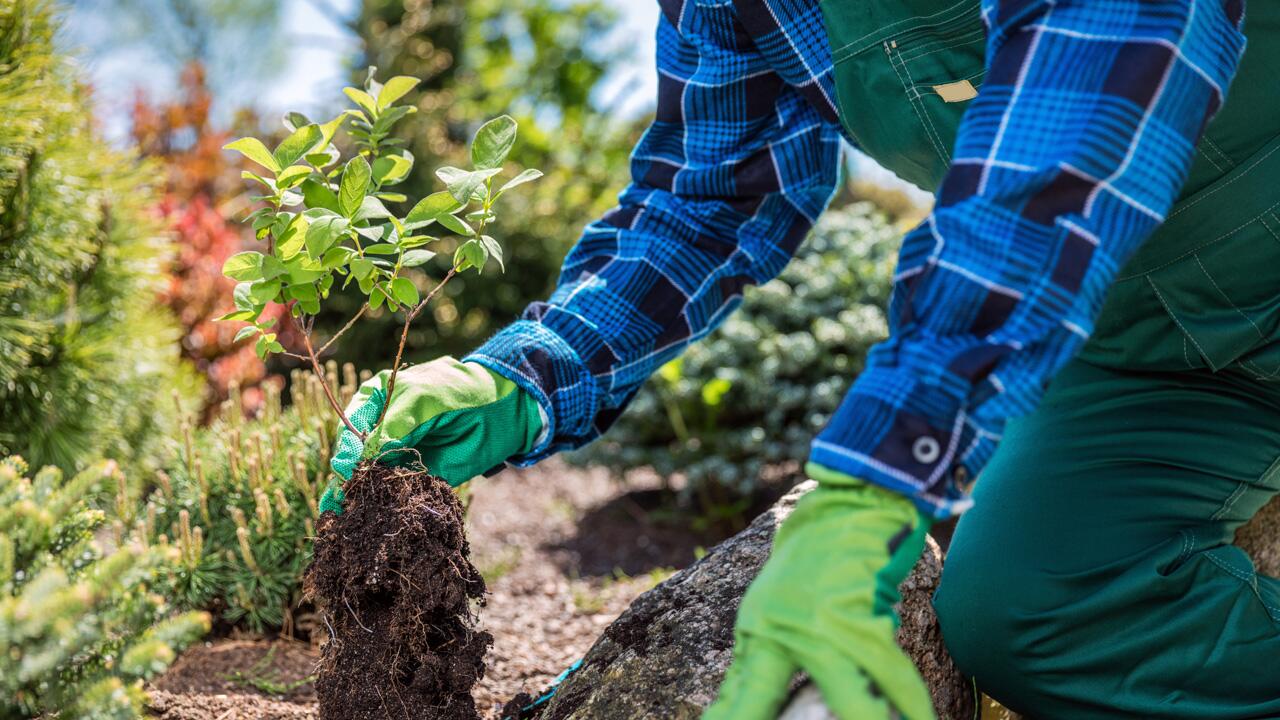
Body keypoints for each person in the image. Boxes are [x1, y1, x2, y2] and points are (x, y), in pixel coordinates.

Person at [320, 0, 1280, 716]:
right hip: (1149, 357)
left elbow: (1074, 132)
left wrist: (882, 472)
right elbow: (706, 198)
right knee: (1027, 609)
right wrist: (526, 373)